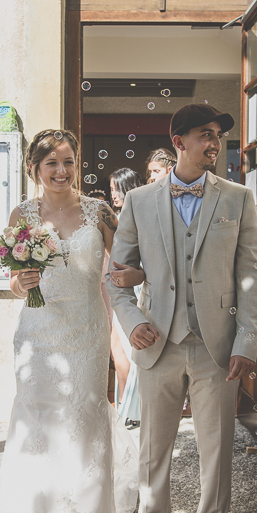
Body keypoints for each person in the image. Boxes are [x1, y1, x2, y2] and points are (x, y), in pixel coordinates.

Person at [107, 104, 257, 513]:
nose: (214, 143)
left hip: (218, 346)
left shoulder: (237, 198)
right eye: (204, 135)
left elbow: (251, 276)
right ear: (178, 140)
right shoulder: (138, 201)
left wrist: (247, 341)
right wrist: (133, 320)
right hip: (159, 342)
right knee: (154, 447)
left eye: (217, 135)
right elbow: (117, 279)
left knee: (217, 447)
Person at [0, 129, 138, 513]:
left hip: (85, 332)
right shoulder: (22, 213)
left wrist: (127, 284)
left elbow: (130, 264)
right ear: (34, 169)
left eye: (68, 161)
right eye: (51, 163)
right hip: (37, 335)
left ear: (78, 164)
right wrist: (20, 283)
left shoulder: (99, 213)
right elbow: (13, 279)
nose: (61, 171)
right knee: (40, 420)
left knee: (81, 418)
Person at [107, 167, 147, 427]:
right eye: (110, 190)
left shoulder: (131, 218)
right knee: (118, 349)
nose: (113, 195)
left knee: (124, 350)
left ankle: (130, 409)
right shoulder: (118, 217)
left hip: (132, 289)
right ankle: (126, 406)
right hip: (117, 288)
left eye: (115, 189)